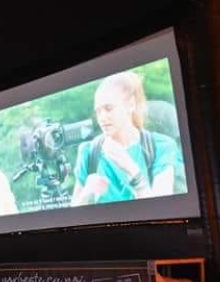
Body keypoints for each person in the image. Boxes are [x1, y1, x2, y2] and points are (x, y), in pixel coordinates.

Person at [72, 71, 182, 206]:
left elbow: (164, 210)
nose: (102, 118)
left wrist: (131, 170)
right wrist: (87, 194)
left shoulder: (161, 146)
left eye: (108, 108)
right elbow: (72, 215)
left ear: (130, 105)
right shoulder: (89, 151)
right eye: (98, 111)